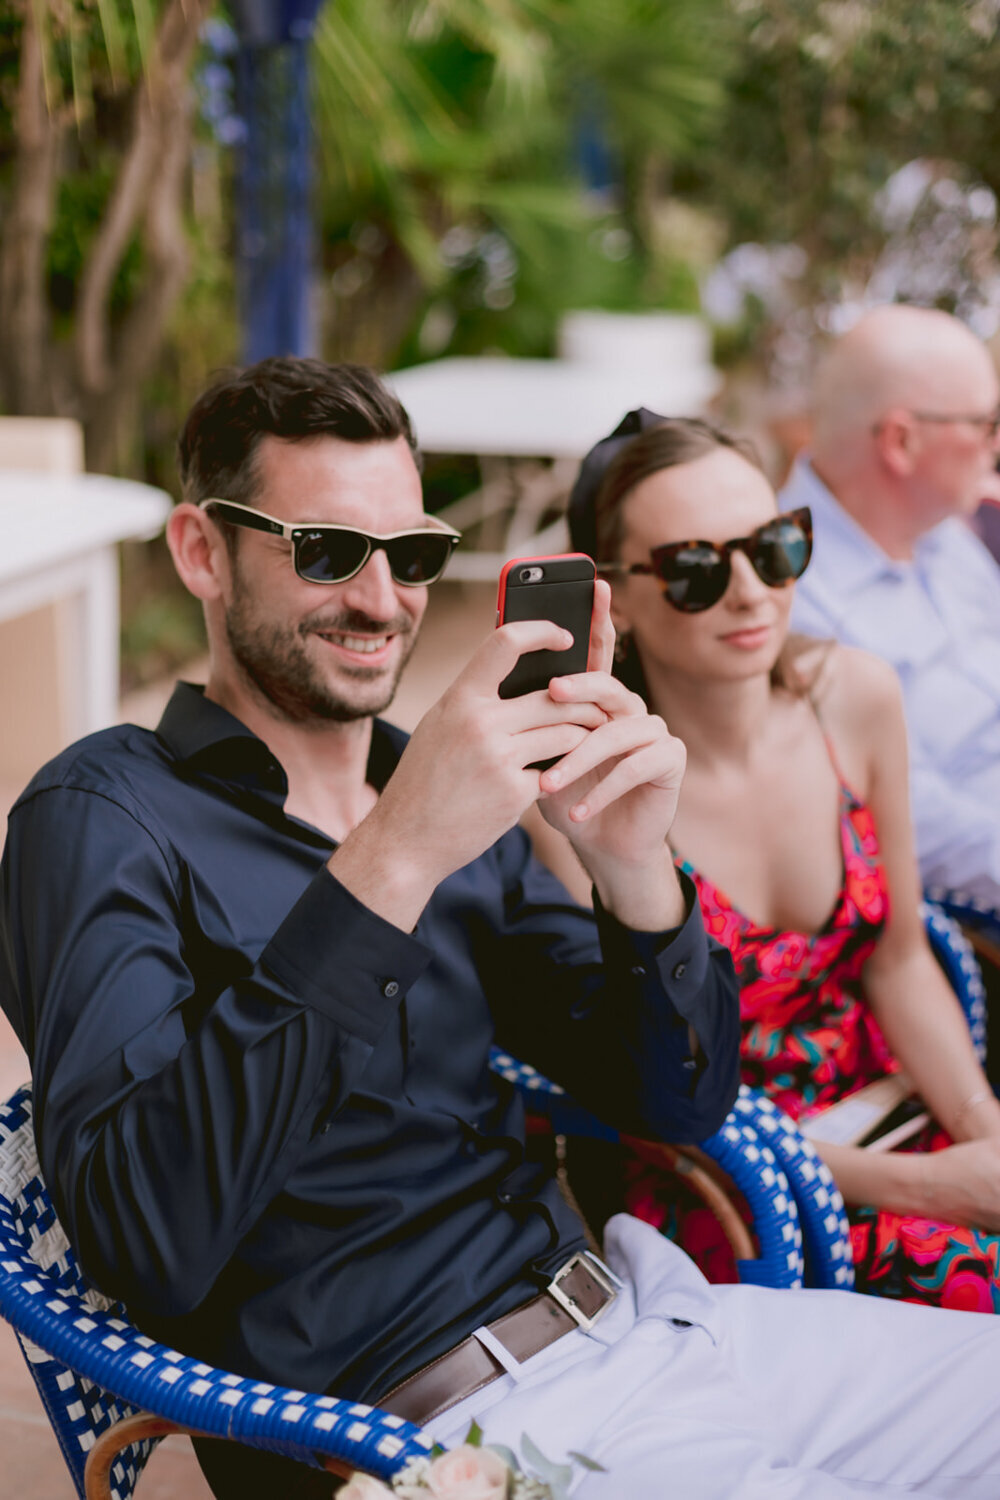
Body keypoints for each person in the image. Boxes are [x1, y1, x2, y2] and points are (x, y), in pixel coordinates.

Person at [3, 361, 1000, 1500]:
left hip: (660, 1318)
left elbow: (677, 1100)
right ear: (201, 553)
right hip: (448, 1432)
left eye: (412, 556)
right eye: (326, 550)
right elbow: (147, 1237)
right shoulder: (101, 815)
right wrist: (390, 857)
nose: (381, 601)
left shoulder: (455, 794)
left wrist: (632, 871)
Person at [556, 408, 1000, 1315]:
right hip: (738, 1187)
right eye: (694, 568)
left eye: (774, 547)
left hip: (900, 1113)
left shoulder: (857, 698)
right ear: (618, 599)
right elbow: (644, 1099)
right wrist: (920, 1188)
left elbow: (901, 956)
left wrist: (981, 1133)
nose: (752, 590)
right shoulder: (579, 788)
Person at [776, 304, 1000, 910]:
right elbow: (916, 824)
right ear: (902, 441)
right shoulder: (783, 596)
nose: (994, 445)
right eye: (986, 423)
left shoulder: (945, 530)